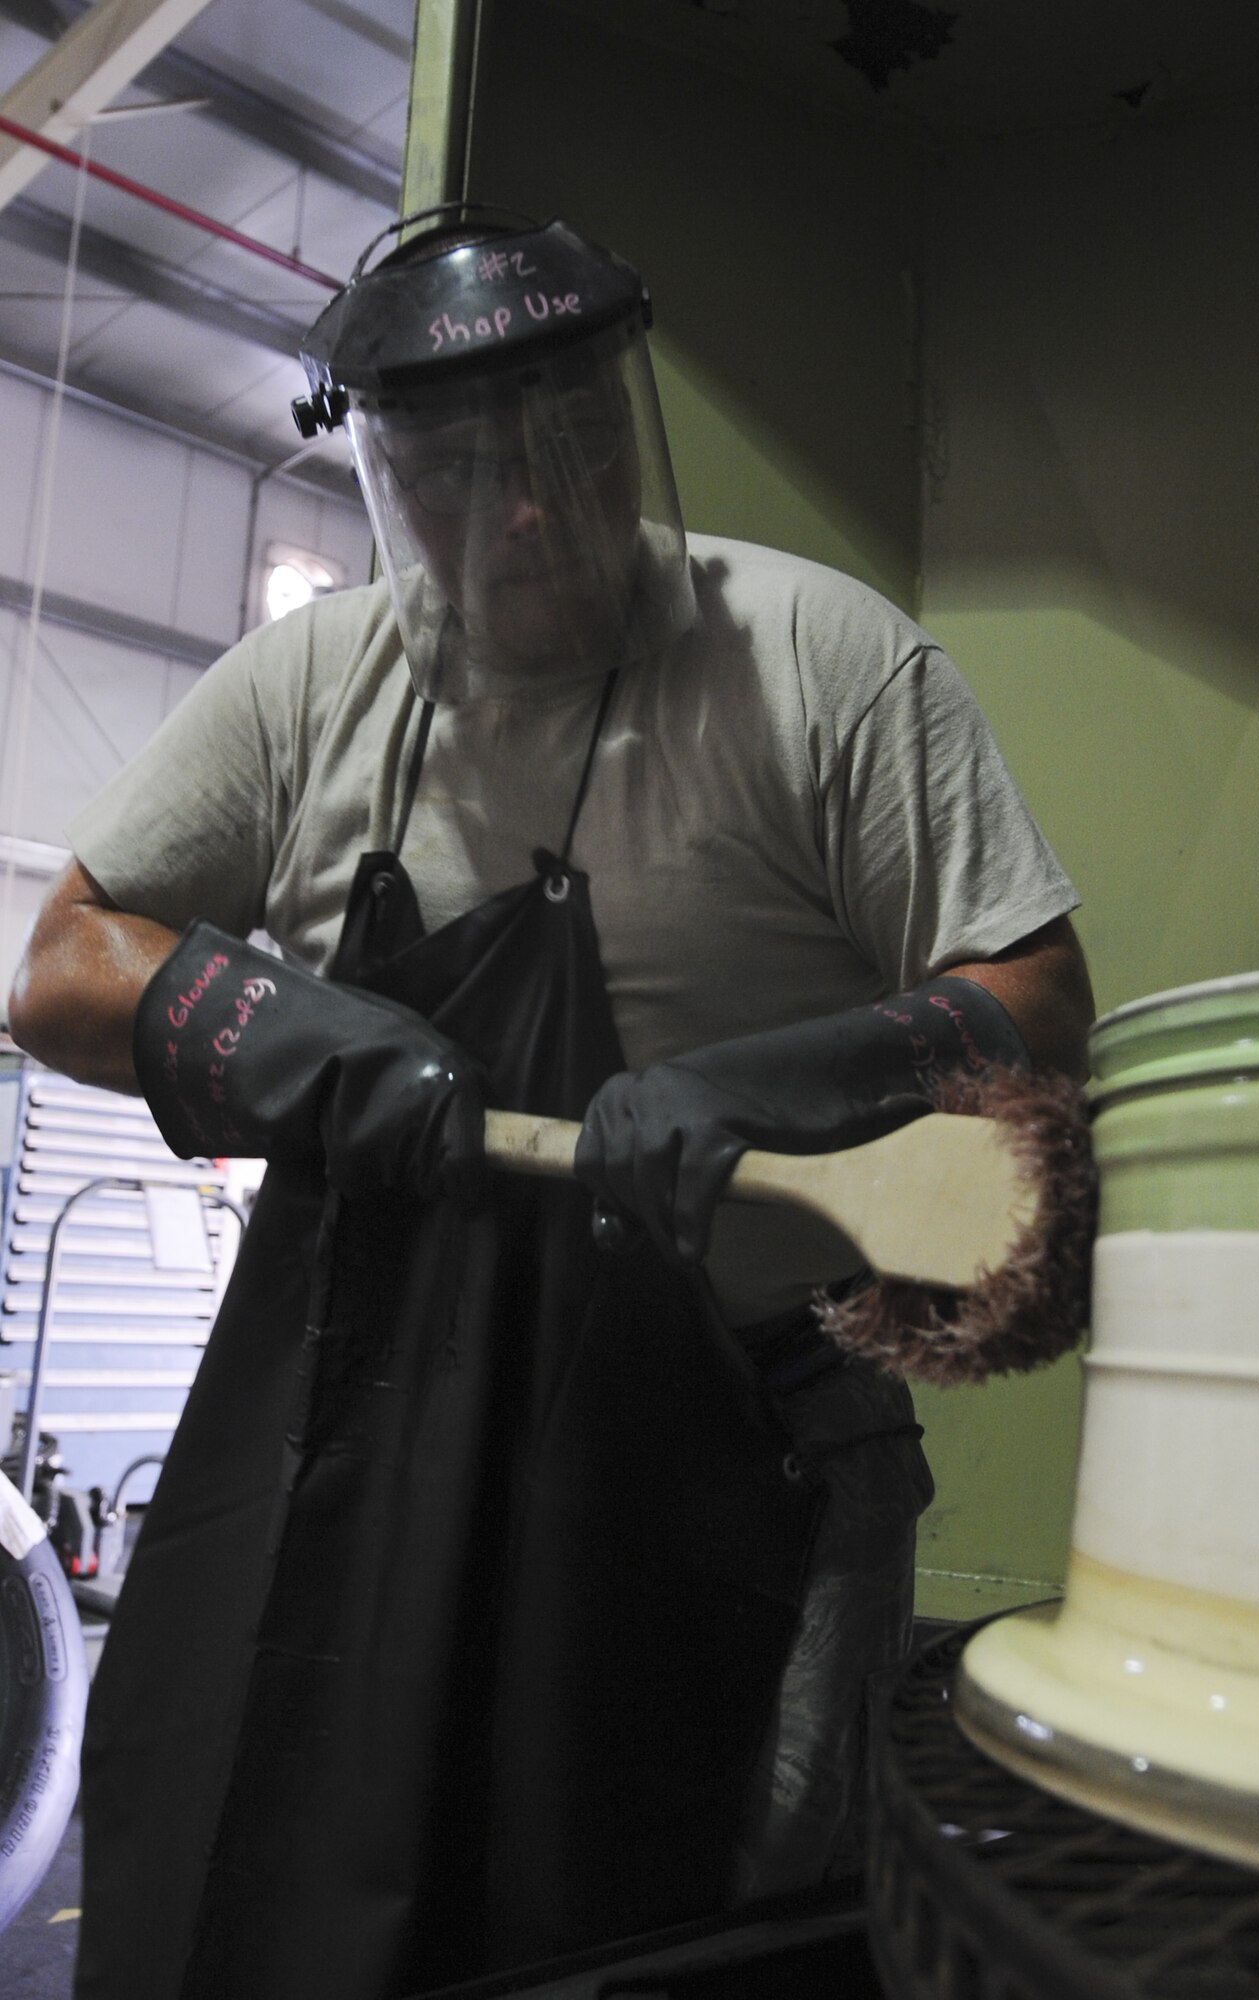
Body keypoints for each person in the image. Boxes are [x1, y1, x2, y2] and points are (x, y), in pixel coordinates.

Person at [8, 206, 1094, 2000]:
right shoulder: (307, 691)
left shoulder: (824, 667)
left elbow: (1036, 1004)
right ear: (382, 473)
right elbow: (63, 967)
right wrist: (287, 1036)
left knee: (692, 1936)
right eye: (455, 470)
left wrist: (778, 1084)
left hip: (740, 1445)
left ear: (629, 417)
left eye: (573, 442)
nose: (525, 509)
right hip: (369, 1440)